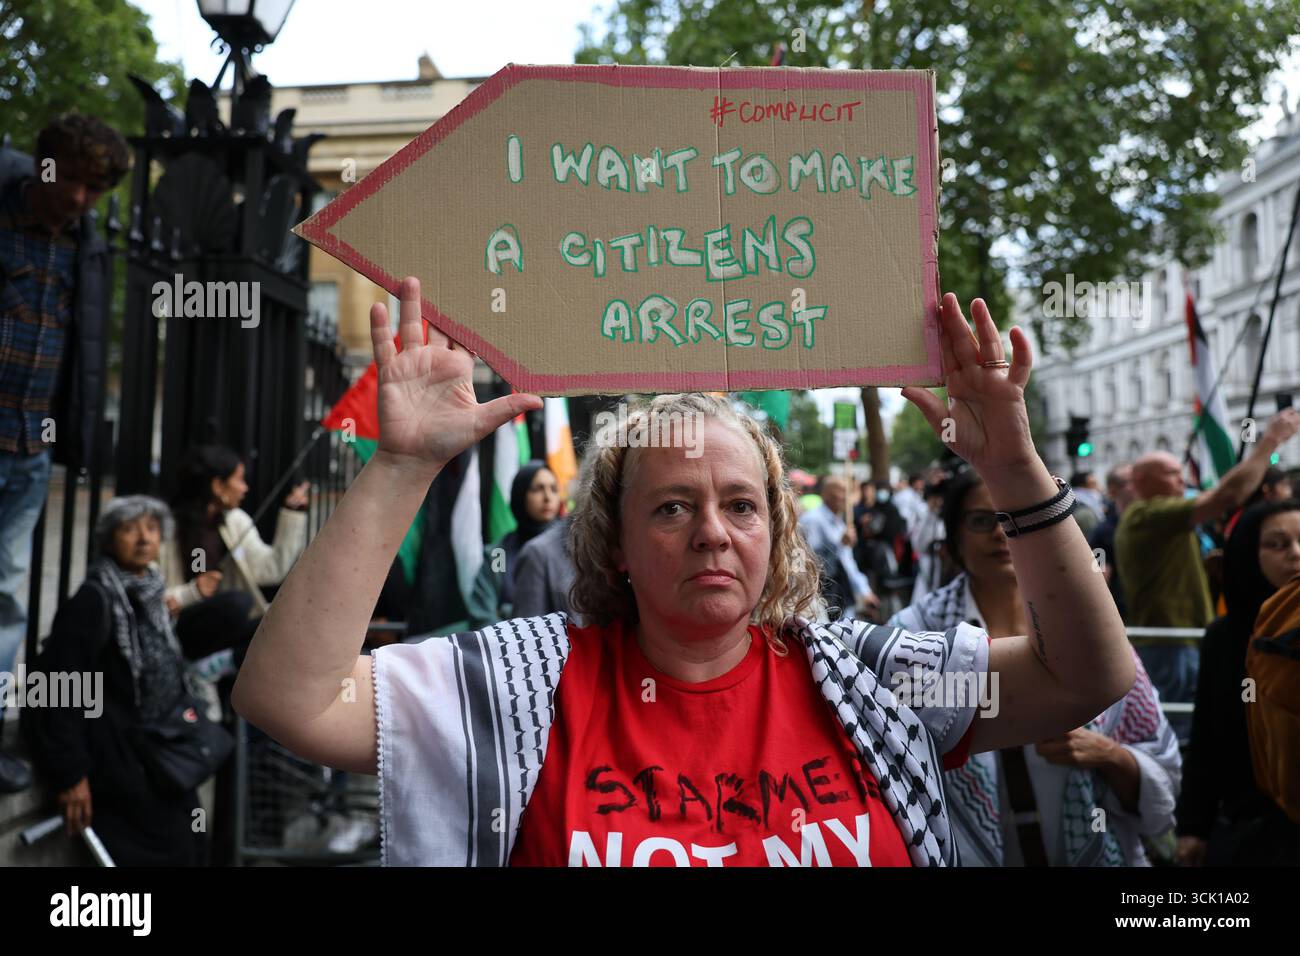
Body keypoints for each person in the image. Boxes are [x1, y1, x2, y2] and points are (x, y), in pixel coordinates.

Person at [231, 282, 1135, 867]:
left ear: (776, 533)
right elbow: (290, 699)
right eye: (670, 508)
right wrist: (400, 468)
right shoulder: (524, 687)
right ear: (614, 543)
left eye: (741, 506)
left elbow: (1083, 675)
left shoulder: (874, 679)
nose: (712, 533)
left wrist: (1015, 468)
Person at [891, 471, 1179, 866]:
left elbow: (1162, 775)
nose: (1001, 532)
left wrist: (1109, 755)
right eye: (981, 520)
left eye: (1015, 517)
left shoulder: (1090, 629)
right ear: (954, 537)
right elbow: (894, 762)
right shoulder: (913, 637)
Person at [0, 114, 130, 793]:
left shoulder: (87, 242)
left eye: (94, 187)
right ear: (40, 165)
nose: (80, 196)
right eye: (70, 178)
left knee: (4, 593)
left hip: (26, 447)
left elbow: (83, 345)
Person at [24, 496, 207, 866]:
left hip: (160, 754)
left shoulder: (154, 592)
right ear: (108, 541)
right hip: (118, 766)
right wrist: (70, 773)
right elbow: (58, 687)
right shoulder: (94, 601)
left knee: (191, 845)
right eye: (129, 529)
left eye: (152, 529)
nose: (143, 538)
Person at [1116, 415, 1300, 727]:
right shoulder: (1146, 515)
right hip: (1170, 642)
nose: (1181, 479)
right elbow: (1226, 497)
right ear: (1142, 481)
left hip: (1179, 639)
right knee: (1179, 727)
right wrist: (1269, 441)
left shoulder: (1157, 517)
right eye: (1172, 473)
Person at [1176, 500, 1300, 866]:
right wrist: (1193, 826)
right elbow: (1207, 738)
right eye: (1277, 544)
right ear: (1248, 552)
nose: (1295, 554)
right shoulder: (1225, 637)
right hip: (1252, 833)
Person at [160, 444, 310, 657]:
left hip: (226, 628)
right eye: (239, 479)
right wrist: (192, 592)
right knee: (237, 603)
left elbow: (270, 570)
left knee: (280, 621)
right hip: (181, 629)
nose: (244, 488)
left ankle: (217, 667)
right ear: (217, 486)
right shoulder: (167, 529)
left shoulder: (235, 521)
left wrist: (292, 515)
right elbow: (151, 596)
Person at [466, 461, 560, 630]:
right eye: (537, 489)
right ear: (520, 494)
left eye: (553, 489)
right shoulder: (500, 553)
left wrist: (507, 612)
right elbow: (484, 615)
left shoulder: (570, 546)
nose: (547, 497)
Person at [799, 476, 879, 620]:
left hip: (841, 592)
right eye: (841, 491)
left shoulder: (840, 522)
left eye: (848, 492)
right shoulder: (813, 520)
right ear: (826, 494)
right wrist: (840, 543)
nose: (846, 497)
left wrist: (864, 590)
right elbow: (807, 561)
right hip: (820, 596)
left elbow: (848, 561)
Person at [1088, 464, 1134, 620]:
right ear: (1113, 490)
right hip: (1126, 612)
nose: (1137, 487)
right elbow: (1098, 573)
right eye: (1130, 482)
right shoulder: (1101, 533)